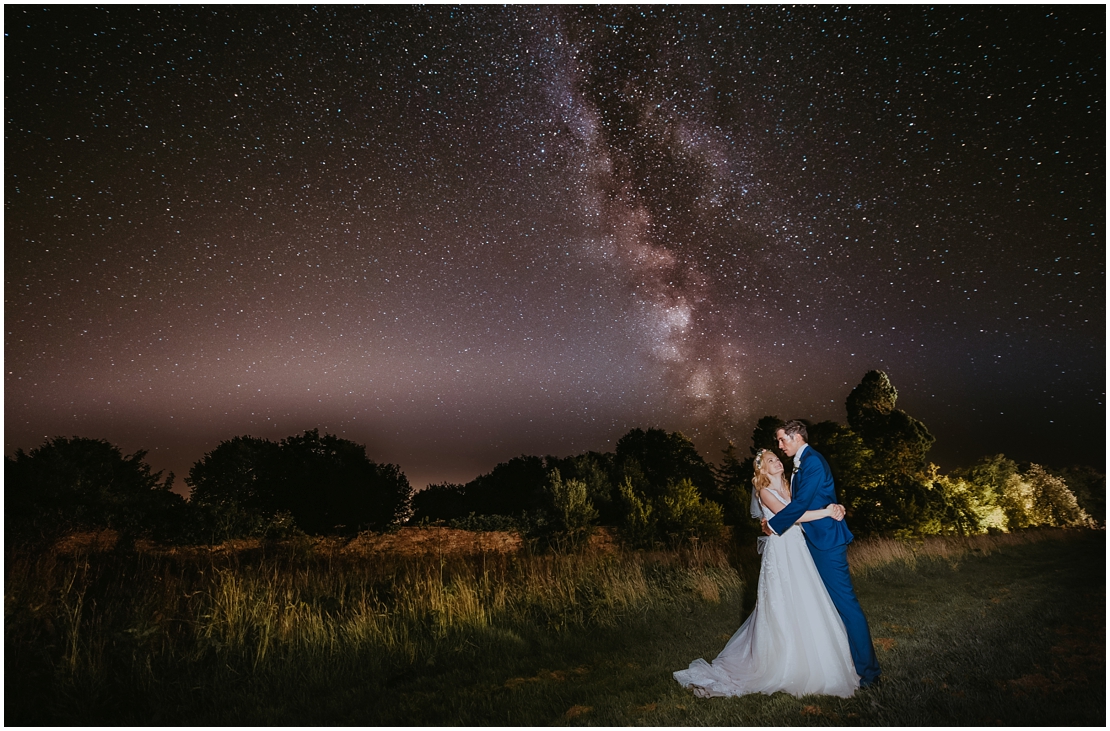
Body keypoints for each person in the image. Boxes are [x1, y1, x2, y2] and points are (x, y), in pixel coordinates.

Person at [673, 447, 860, 699]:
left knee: (806, 598)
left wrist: (833, 507)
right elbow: (793, 516)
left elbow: (806, 505)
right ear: (762, 469)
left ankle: (815, 654)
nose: (778, 462)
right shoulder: (764, 491)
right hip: (781, 552)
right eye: (771, 460)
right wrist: (828, 512)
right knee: (781, 601)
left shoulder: (790, 488)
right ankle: (782, 660)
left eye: (778, 458)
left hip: (798, 550)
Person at [763, 420, 881, 687]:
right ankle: (834, 661)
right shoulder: (801, 464)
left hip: (827, 541)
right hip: (810, 541)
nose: (779, 446)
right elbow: (808, 501)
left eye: (782, 440)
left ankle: (870, 674)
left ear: (796, 437)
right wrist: (832, 506)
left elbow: (802, 503)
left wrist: (773, 525)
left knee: (846, 606)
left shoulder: (813, 461)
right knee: (821, 605)